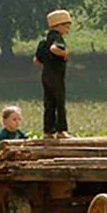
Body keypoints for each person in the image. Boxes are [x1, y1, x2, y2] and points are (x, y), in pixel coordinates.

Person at [33, 9, 72, 139]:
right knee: (60, 102)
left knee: (49, 103)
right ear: (59, 25)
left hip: (45, 76)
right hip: (56, 76)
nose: (67, 29)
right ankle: (61, 130)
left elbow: (36, 60)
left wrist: (48, 62)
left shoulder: (43, 41)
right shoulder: (57, 37)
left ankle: (48, 131)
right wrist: (65, 54)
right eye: (66, 26)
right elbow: (54, 49)